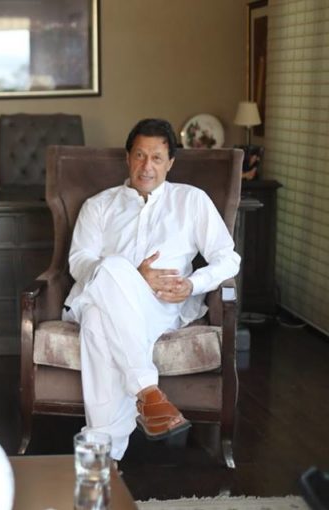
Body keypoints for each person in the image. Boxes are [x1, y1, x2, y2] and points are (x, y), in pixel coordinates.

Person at [61, 118, 240, 461]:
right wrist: (130, 275)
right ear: (127, 158)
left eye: (157, 158)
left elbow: (228, 258)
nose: (147, 166)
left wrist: (193, 284)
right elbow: (79, 261)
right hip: (100, 294)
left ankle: (104, 456)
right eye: (140, 156)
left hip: (162, 306)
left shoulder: (191, 201)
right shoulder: (99, 205)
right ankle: (147, 393)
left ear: (170, 162)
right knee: (110, 273)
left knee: (98, 319)